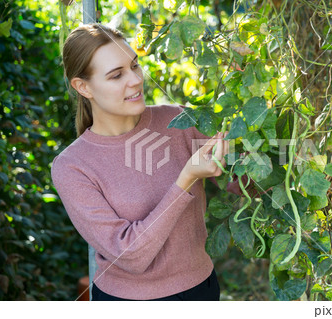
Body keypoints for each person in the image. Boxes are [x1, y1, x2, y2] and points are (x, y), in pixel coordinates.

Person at [51, 23, 235, 301]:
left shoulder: (179, 121)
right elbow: (130, 256)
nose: (136, 80)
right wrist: (186, 179)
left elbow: (244, 176)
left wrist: (248, 144)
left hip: (202, 289)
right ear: (83, 87)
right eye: (116, 75)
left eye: (135, 66)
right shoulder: (72, 166)